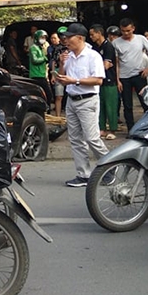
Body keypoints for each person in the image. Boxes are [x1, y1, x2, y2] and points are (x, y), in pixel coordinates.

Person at [54, 23, 110, 187]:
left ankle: (110, 166)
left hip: (88, 100)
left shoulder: (93, 56)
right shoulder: (68, 56)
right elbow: (61, 78)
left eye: (69, 37)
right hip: (72, 100)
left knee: (92, 138)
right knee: (76, 139)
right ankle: (83, 174)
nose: (66, 40)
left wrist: (75, 81)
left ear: (79, 38)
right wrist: (62, 64)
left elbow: (99, 80)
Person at [112, 18, 148, 131]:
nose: (126, 33)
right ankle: (131, 129)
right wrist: (117, 80)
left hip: (139, 75)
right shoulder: (116, 43)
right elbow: (116, 63)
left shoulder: (141, 39)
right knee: (127, 105)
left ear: (133, 28)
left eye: (128, 30)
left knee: (146, 102)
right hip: (124, 77)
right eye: (123, 31)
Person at [90, 24, 118, 140]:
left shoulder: (108, 47)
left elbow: (106, 65)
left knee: (110, 105)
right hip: (97, 81)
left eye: (92, 34)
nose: (91, 37)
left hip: (109, 80)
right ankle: (102, 128)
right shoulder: (94, 48)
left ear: (99, 33)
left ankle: (112, 129)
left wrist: (98, 68)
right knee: (99, 106)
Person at [48, 27, 69, 116]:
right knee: (58, 96)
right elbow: (53, 61)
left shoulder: (72, 47)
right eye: (61, 36)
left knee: (70, 96)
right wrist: (53, 75)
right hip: (58, 73)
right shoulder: (57, 48)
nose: (63, 38)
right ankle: (58, 117)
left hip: (71, 74)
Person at [28, 29, 52, 104]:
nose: (43, 39)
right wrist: (45, 58)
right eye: (41, 37)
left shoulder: (41, 48)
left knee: (45, 94)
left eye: (44, 38)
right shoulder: (33, 48)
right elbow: (35, 60)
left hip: (42, 74)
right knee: (48, 94)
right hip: (36, 75)